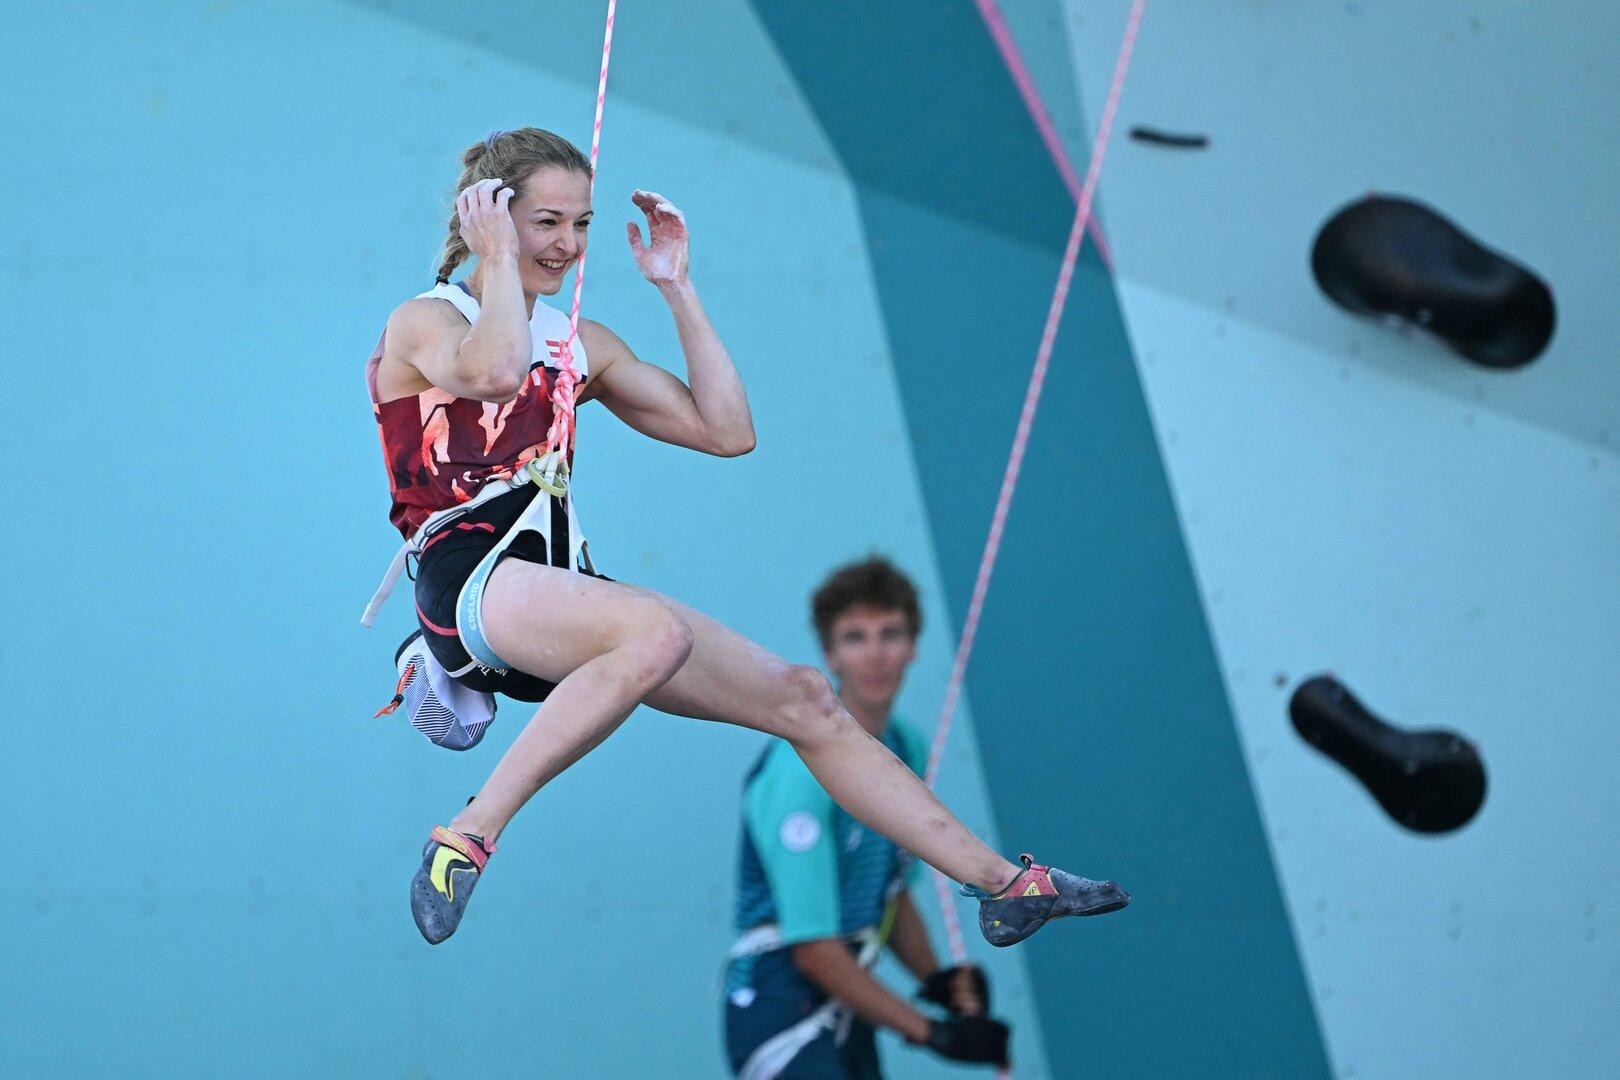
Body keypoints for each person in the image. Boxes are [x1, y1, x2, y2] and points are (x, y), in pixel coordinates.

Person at [361, 127, 1129, 948]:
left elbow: (725, 431)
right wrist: (496, 261)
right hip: (468, 578)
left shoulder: (579, 343)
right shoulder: (429, 319)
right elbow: (492, 373)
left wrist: (676, 287)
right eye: (546, 222)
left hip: (559, 588)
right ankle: (468, 833)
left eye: (580, 225)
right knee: (655, 631)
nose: (568, 245)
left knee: (804, 698)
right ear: (490, 216)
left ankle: (1005, 886)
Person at [725, 557, 1013, 1078]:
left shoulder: (906, 746)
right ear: (830, 654)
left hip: (850, 997)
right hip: (778, 1000)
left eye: (891, 634)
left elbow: (892, 894)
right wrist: (935, 1034)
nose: (876, 654)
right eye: (855, 638)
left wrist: (939, 984)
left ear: (913, 646)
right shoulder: (800, 771)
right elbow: (813, 950)